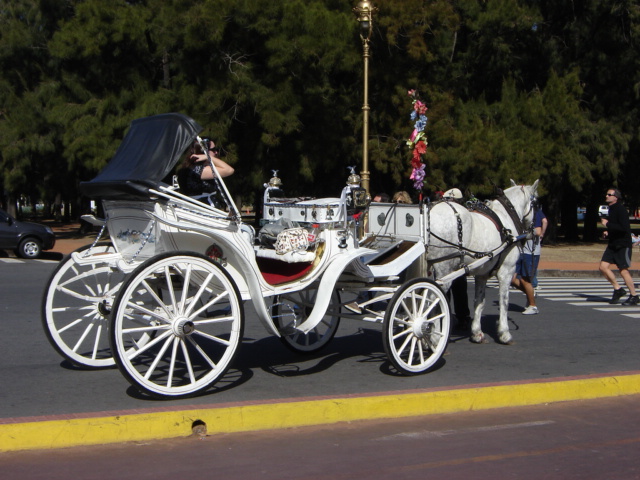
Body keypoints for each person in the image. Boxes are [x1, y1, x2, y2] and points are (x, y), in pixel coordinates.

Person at [599, 188, 638, 305]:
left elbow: (624, 228)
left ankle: (634, 296)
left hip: (623, 244)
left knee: (623, 270)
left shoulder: (621, 210)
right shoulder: (610, 209)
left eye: (609, 194)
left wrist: (607, 224)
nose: (606, 196)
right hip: (613, 243)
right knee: (603, 267)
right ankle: (618, 289)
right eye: (606, 194)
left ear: (616, 197)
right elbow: (615, 227)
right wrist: (608, 232)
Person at [442, 187, 471, 329]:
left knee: (458, 287)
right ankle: (451, 315)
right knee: (449, 286)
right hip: (451, 255)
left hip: (457, 256)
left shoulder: (463, 216)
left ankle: (461, 315)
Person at [511, 202, 546, 315]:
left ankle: (533, 306)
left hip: (530, 251)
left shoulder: (534, 213)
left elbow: (538, 231)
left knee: (525, 280)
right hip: (521, 251)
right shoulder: (521, 214)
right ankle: (530, 293)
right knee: (511, 279)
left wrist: (521, 236)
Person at [178, 138, 234, 205]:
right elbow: (229, 170)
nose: (216, 152)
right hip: (202, 209)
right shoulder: (200, 170)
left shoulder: (190, 167)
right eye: (213, 150)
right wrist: (209, 157)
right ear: (203, 151)